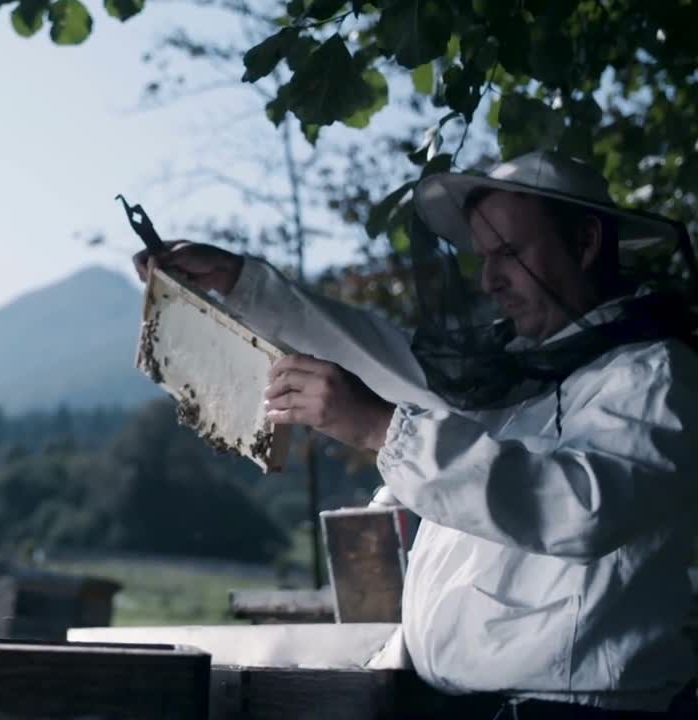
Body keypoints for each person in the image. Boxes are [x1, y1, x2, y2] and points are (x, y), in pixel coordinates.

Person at [133, 151, 698, 718]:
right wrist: (243, 285)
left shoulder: (652, 373)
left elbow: (582, 508)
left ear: (584, 241)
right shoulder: (508, 372)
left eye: (509, 253)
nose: (490, 280)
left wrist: (383, 427)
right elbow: (378, 357)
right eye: (482, 258)